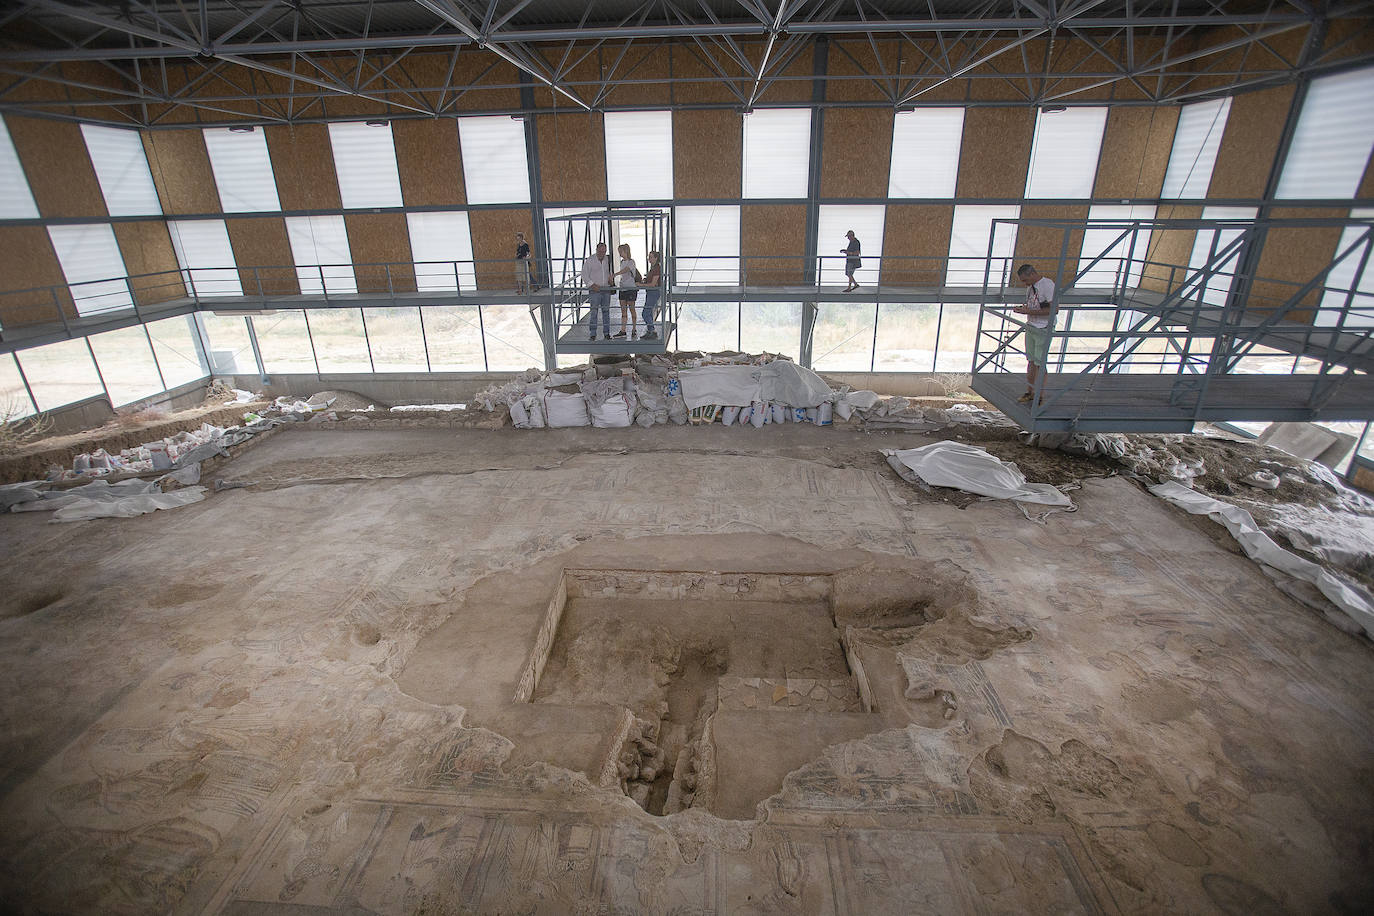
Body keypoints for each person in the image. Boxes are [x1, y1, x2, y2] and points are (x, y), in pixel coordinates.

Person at [1013, 263, 1056, 403]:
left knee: (1040, 363)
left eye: (1025, 280)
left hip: (1043, 328)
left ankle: (1040, 395)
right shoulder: (1030, 287)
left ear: (1032, 274)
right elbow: (1033, 305)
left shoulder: (1047, 285)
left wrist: (1029, 311)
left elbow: (1054, 309)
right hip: (1031, 326)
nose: (1025, 283)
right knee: (1031, 360)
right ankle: (1030, 391)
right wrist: (1024, 310)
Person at [582, 242, 613, 341]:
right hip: (595, 290)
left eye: (604, 252)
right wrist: (592, 285)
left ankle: (607, 333)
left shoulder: (607, 259)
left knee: (606, 312)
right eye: (600, 251)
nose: (602, 254)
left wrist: (610, 280)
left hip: (606, 289)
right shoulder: (590, 260)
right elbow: (584, 275)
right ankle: (593, 334)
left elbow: (608, 272)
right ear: (597, 250)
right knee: (594, 312)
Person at [612, 242, 639, 339]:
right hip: (623, 288)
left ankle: (634, 328)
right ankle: (623, 330)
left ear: (626, 251)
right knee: (623, 310)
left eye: (621, 251)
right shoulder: (622, 262)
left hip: (631, 288)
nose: (620, 253)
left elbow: (626, 270)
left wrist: (615, 274)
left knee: (632, 309)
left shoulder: (631, 262)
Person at [638, 250, 661, 339]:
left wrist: (641, 285)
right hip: (650, 292)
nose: (649, 259)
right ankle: (650, 330)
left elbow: (653, 284)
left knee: (645, 313)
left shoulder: (657, 269)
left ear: (656, 258)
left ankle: (652, 330)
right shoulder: (653, 268)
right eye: (649, 257)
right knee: (649, 313)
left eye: (651, 257)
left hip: (653, 292)